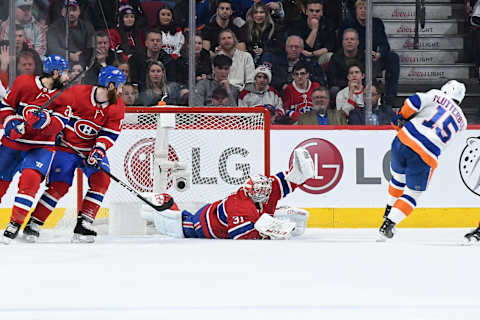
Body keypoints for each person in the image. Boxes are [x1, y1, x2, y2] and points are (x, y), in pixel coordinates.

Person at [22, 66, 127, 243]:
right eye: (120, 86)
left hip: (91, 150)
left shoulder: (117, 106)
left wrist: (99, 150)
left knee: (101, 179)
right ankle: (34, 223)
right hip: (66, 148)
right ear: (110, 85)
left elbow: (109, 133)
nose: (122, 90)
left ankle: (84, 224)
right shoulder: (77, 93)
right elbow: (51, 107)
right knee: (59, 185)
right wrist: (55, 128)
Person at [141, 147, 315, 240]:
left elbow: (287, 180)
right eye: (264, 191)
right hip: (194, 229)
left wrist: (301, 175)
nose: (268, 192)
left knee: (274, 214)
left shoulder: (263, 191)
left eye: (267, 189)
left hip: (213, 215)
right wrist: (267, 235)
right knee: (168, 220)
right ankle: (159, 207)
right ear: (253, 194)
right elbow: (240, 235)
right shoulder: (240, 205)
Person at [378, 80, 467, 240]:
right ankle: (389, 224)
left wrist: (401, 117)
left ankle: (389, 207)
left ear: (445, 89)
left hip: (404, 139)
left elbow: (414, 101)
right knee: (413, 193)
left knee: (398, 178)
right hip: (427, 153)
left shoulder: (436, 94)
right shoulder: (463, 122)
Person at [0, 55, 71, 243]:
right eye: (65, 73)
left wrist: (41, 121)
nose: (67, 77)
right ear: (55, 72)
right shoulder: (24, 83)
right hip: (13, 143)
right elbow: (6, 106)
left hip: (41, 146)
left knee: (30, 180)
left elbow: (58, 125)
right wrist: (12, 125)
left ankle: (15, 223)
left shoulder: (65, 95)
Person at [338, 0, 399, 104]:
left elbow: (385, 45)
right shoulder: (348, 23)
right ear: (356, 10)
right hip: (356, 58)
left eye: (366, 8)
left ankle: (390, 96)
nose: (363, 11)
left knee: (393, 57)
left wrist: (379, 54)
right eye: (360, 8)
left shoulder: (377, 23)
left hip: (373, 58)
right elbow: (341, 44)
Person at [260, 35, 327, 92]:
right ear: (286, 48)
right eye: (290, 46)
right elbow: (268, 77)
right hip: (281, 91)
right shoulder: (275, 59)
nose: (293, 49)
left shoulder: (309, 62)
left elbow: (320, 80)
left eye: (296, 47)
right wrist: (282, 85)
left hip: (303, 91)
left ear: (302, 49)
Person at [288, 0, 336, 68]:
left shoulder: (328, 24)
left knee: (330, 56)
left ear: (322, 12)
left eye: (317, 11)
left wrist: (312, 54)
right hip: (301, 58)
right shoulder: (297, 25)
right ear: (306, 11)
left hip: (319, 57)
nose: (314, 14)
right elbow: (303, 48)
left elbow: (329, 47)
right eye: (311, 10)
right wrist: (314, 30)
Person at [47, 0, 95, 67]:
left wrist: (81, 57)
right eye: (68, 10)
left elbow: (90, 48)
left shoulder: (87, 27)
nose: (71, 13)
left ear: (79, 12)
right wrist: (69, 55)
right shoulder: (54, 28)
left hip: (82, 65)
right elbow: (52, 48)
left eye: (74, 10)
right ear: (62, 12)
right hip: (60, 64)